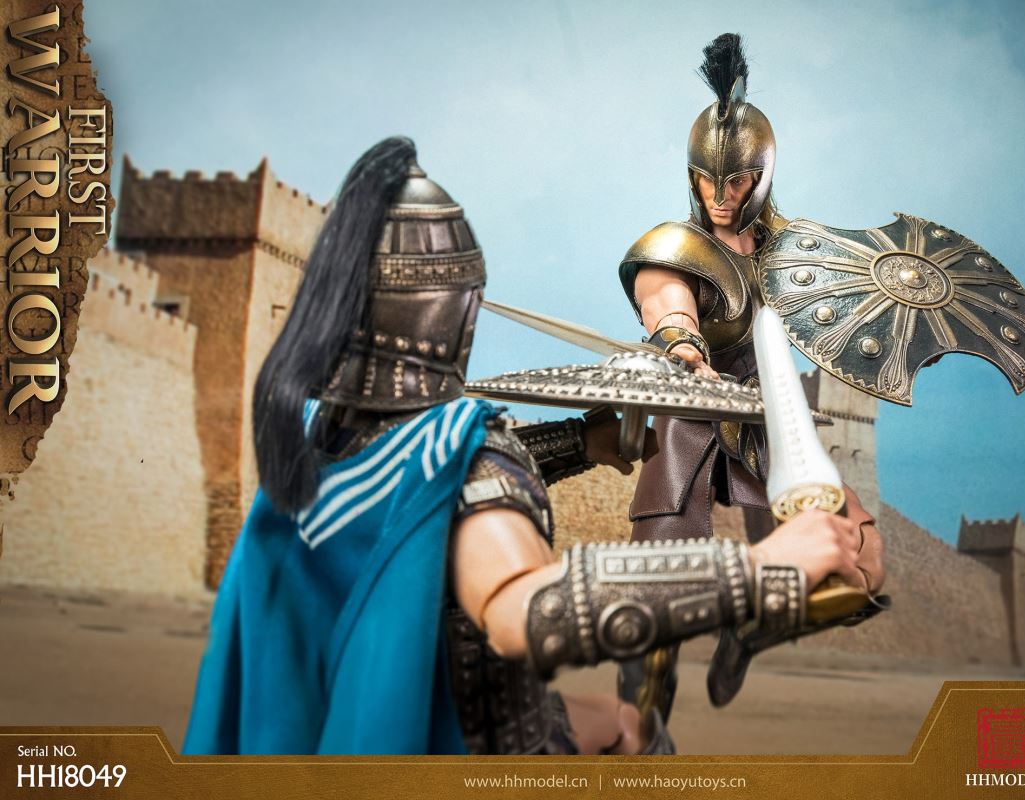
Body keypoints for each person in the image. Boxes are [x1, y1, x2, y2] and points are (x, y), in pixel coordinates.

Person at [181, 136, 873, 756]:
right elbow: (522, 611)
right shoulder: (461, 450)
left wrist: (578, 441)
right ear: (461, 309)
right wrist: (760, 568)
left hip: (347, 718)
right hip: (453, 742)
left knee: (612, 719)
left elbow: (426, 496)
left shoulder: (321, 438)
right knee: (638, 738)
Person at [615, 34, 886, 711]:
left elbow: (833, 321)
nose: (719, 194)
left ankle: (751, 628)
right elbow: (665, 300)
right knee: (654, 593)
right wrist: (682, 346)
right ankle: (644, 704)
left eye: (735, 181)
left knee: (855, 560)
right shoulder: (674, 246)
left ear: (761, 177)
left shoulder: (787, 253)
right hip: (692, 413)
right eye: (708, 180)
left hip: (768, 420)